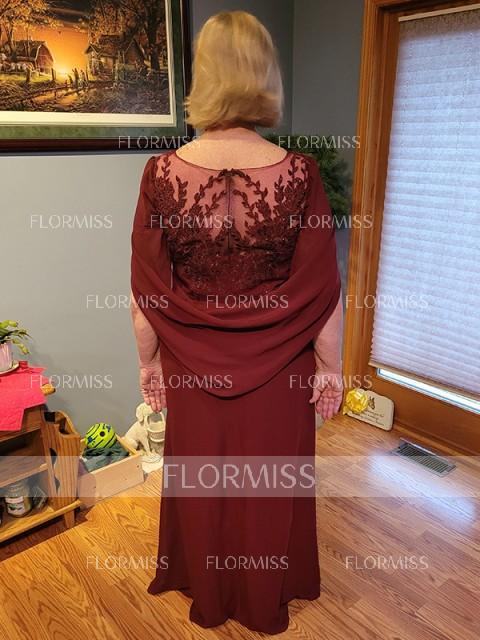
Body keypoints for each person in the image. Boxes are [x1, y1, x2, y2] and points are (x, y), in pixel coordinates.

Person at [130, 10, 343, 635]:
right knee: (269, 483)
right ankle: (264, 593)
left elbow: (146, 292)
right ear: (263, 74)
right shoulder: (299, 173)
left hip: (190, 361)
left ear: (205, 74)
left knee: (204, 480)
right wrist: (331, 368)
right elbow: (322, 289)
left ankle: (208, 587)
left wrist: (148, 362)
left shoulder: (160, 172)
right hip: (281, 365)